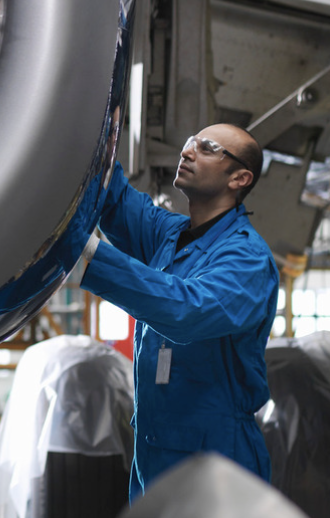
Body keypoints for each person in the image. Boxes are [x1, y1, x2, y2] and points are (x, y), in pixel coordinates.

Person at [76, 122, 279, 499]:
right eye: (189, 143)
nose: (187, 152)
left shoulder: (248, 259)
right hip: (153, 452)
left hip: (218, 458)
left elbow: (187, 310)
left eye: (207, 147)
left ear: (240, 177)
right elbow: (114, 200)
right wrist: (91, 129)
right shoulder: (168, 235)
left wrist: (87, 257)